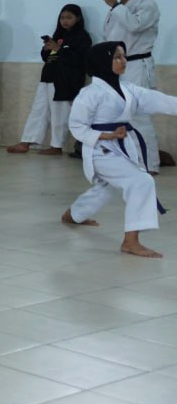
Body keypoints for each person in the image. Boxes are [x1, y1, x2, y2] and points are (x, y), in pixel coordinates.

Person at [63, 42, 177, 257]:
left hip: (121, 147)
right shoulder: (89, 93)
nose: (124, 61)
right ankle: (131, 241)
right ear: (102, 61)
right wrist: (106, 135)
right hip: (99, 150)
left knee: (107, 187)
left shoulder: (128, 89)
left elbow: (160, 101)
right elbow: (77, 126)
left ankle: (73, 215)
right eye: (117, 57)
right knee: (141, 181)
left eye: (124, 57)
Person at [10, 4, 91, 156]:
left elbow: (81, 60)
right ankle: (26, 141)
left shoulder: (82, 37)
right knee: (39, 109)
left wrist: (60, 49)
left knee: (59, 112)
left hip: (65, 81)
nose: (65, 21)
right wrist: (46, 49)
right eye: (62, 18)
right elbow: (49, 58)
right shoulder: (59, 35)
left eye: (69, 18)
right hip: (48, 77)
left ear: (78, 18)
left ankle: (57, 146)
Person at [102, 0, 161, 172]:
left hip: (137, 65)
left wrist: (115, 6)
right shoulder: (116, 9)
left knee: (138, 116)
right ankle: (129, 159)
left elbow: (135, 26)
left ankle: (149, 164)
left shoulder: (147, 5)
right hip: (118, 67)